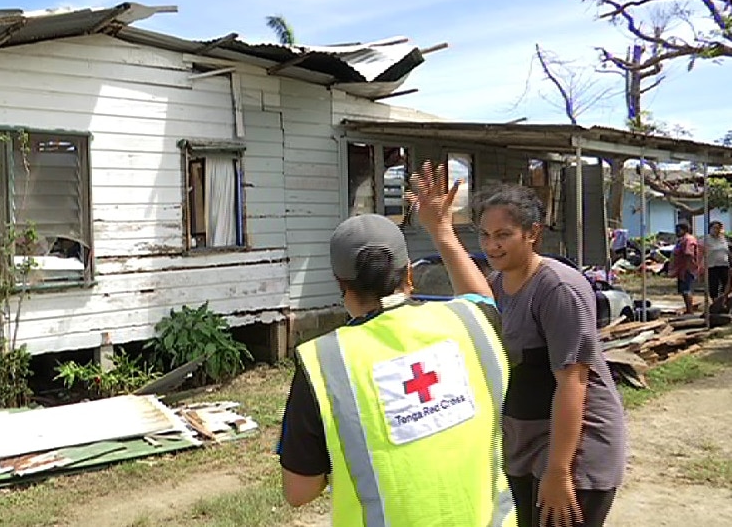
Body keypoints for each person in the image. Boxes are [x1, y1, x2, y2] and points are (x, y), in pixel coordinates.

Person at [276, 163, 516, 527]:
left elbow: (299, 492)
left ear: (342, 285)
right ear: (408, 274)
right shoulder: (469, 323)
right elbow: (482, 298)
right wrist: (442, 230)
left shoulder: (324, 363)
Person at [424, 182, 625, 527]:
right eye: (485, 235)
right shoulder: (501, 285)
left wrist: (559, 472)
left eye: (503, 234)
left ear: (533, 233)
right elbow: (478, 303)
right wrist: (440, 231)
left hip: (575, 450)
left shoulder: (558, 288)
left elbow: (573, 383)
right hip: (525, 447)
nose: (491, 245)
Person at [669, 221, 701, 314]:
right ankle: (688, 310)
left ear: (685, 230)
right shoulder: (681, 240)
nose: (677, 232)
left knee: (686, 290)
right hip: (681, 269)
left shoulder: (688, 240)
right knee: (683, 290)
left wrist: (686, 269)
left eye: (679, 230)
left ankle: (690, 311)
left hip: (687, 269)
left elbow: (688, 255)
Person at [704, 221, 730, 303]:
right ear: (710, 229)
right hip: (712, 265)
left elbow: (727, 251)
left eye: (718, 228)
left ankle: (724, 300)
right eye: (714, 228)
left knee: (727, 284)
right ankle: (715, 302)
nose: (716, 230)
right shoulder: (706, 239)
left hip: (724, 265)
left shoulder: (723, 239)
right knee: (713, 285)